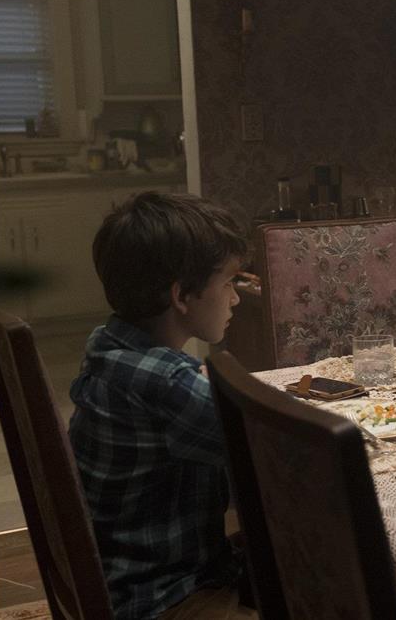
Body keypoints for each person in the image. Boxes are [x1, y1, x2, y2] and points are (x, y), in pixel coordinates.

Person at [69, 191, 252, 619]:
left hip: (125, 579)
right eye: (228, 283)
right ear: (182, 295)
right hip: (165, 598)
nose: (236, 298)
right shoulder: (167, 384)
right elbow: (282, 453)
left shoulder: (109, 345)